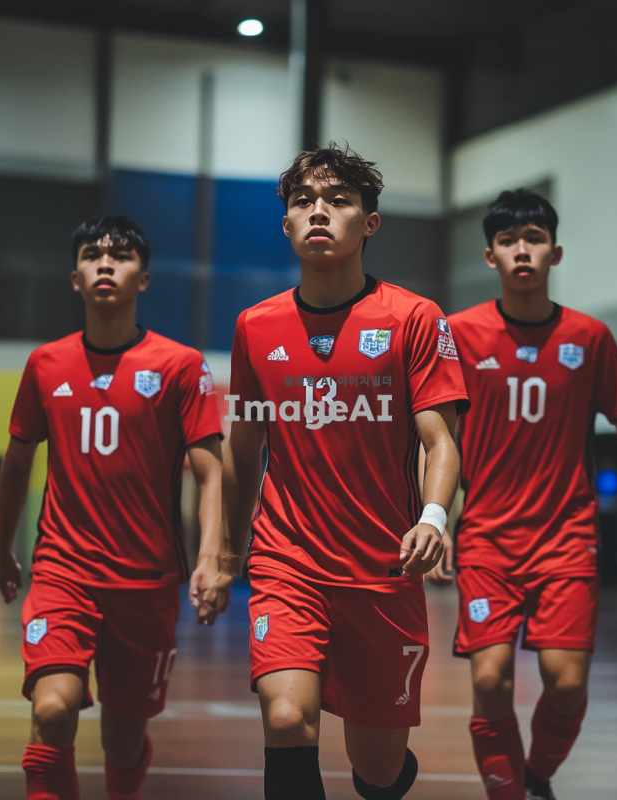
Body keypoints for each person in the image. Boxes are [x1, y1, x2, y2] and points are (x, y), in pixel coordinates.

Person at [220, 144, 469, 800]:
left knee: (379, 770)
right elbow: (243, 449)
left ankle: (387, 776)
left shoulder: (414, 319)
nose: (319, 212)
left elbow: (440, 440)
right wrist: (224, 553)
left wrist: (433, 518)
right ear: (286, 224)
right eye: (304, 201)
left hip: (382, 569)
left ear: (370, 222)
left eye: (338, 200)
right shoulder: (254, 327)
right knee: (285, 717)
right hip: (287, 559)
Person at [429, 189, 617, 800]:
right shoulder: (460, 334)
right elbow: (436, 437)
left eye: (534, 239)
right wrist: (435, 519)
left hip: (566, 539)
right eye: (508, 241)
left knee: (566, 684)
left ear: (555, 253)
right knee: (490, 680)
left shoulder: (589, 337)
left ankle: (535, 777)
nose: (522, 251)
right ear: (490, 256)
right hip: (485, 540)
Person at [0, 215, 229, 800]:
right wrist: (2, 546)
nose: (105, 263)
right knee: (52, 710)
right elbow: (17, 461)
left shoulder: (180, 365)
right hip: (62, 571)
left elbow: (211, 472)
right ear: (74, 277)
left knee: (123, 743)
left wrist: (210, 558)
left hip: (146, 581)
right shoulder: (45, 364)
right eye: (92, 255)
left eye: (121, 256)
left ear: (143, 279)